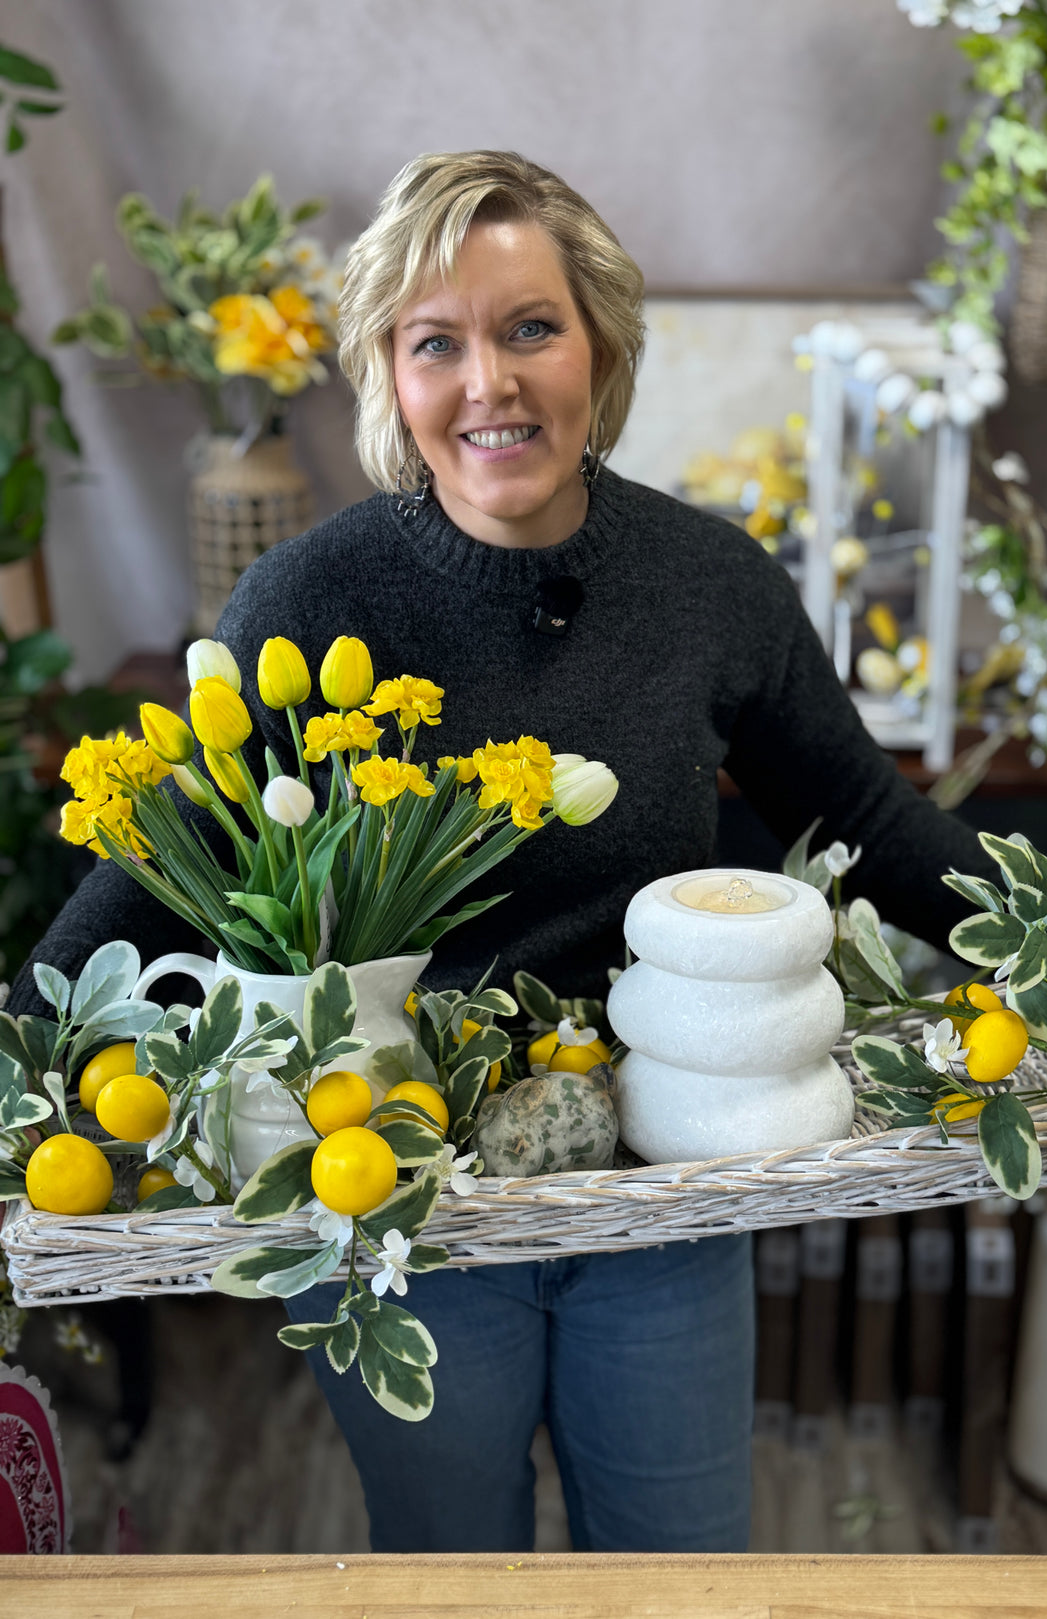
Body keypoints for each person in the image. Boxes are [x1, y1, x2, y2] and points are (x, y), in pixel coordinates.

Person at [11, 150, 997, 1554]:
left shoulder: (708, 585)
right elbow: (158, 870)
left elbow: (868, 820)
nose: (489, 382)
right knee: (451, 1570)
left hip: (660, 1187)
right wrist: (19, 1064)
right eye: (437, 344)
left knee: (677, 1568)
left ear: (598, 346)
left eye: (529, 327)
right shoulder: (308, 597)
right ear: (389, 380)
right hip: (395, 1205)